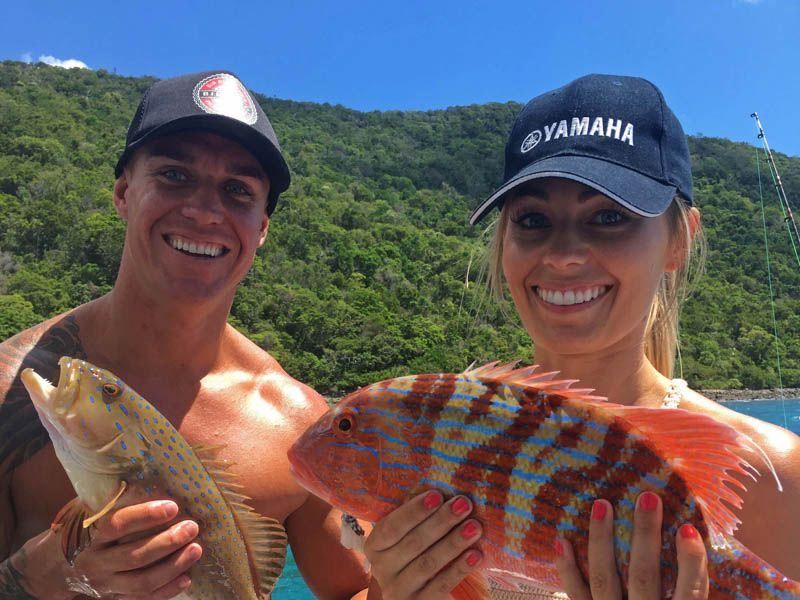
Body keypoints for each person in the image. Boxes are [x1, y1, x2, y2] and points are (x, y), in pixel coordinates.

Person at [362, 74, 800, 599]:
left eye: (609, 217)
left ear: (678, 241)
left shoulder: (772, 477)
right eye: (532, 220)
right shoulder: (433, 453)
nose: (564, 253)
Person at [0, 71, 370, 599]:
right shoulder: (9, 388)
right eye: (174, 175)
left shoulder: (298, 424)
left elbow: (353, 591)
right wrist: (50, 574)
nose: (203, 211)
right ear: (125, 193)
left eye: (238, 190)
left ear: (261, 228)